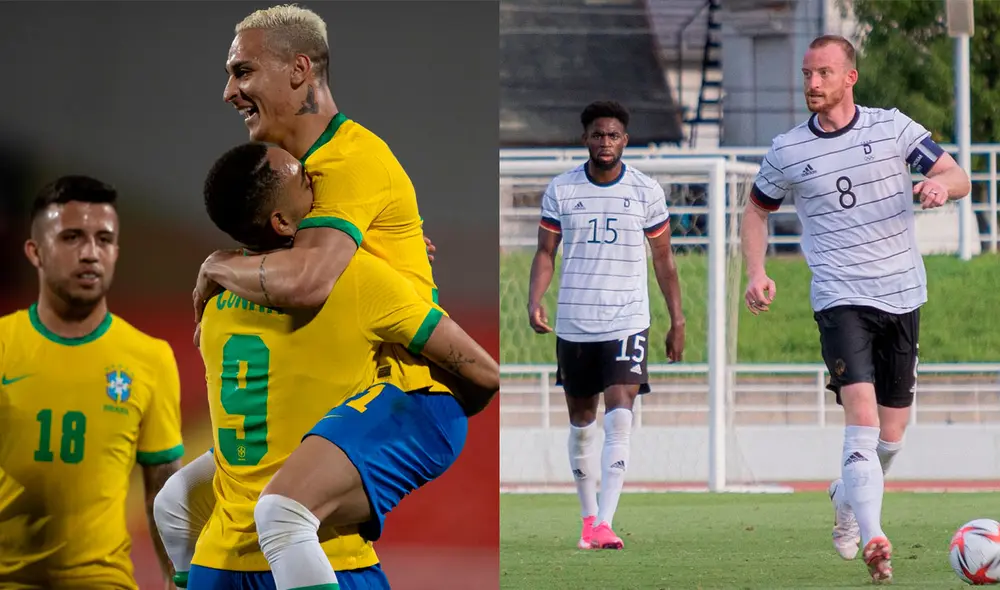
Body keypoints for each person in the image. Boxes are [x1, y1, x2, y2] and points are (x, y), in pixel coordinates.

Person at [156, 5, 456, 585]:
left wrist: (220, 264)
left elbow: (309, 281)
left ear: (298, 70)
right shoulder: (301, 170)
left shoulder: (346, 162)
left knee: (283, 516)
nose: (228, 92)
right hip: (335, 384)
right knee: (176, 504)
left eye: (242, 72)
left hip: (405, 390)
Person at [166, 142, 497, 590]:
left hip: (217, 563)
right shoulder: (356, 279)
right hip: (323, 560)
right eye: (303, 179)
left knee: (174, 501)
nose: (317, 177)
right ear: (282, 222)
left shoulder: (216, 299)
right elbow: (482, 370)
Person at [740, 35, 971, 583]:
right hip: (840, 297)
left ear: (850, 77)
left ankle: (846, 495)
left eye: (823, 73)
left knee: (890, 438)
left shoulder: (891, 128)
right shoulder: (789, 149)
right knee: (861, 419)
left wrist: (940, 188)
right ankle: (874, 538)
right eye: (806, 74)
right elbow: (756, 210)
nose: (812, 83)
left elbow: (957, 175)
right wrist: (756, 271)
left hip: (902, 294)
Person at [0, 176, 184, 589]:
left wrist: (177, 579)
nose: (90, 253)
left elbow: (163, 491)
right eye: (71, 237)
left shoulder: (150, 358)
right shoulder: (4, 345)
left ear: (116, 251)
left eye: (104, 239)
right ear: (35, 252)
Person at [527, 100, 686, 551]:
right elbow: (545, 252)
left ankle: (605, 522)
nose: (605, 142)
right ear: (585, 139)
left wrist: (677, 319)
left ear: (625, 141)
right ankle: (588, 518)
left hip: (628, 320)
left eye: (613, 135)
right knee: (582, 424)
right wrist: (535, 299)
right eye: (597, 134)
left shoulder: (645, 190)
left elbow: (664, 260)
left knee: (620, 416)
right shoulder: (562, 189)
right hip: (576, 323)